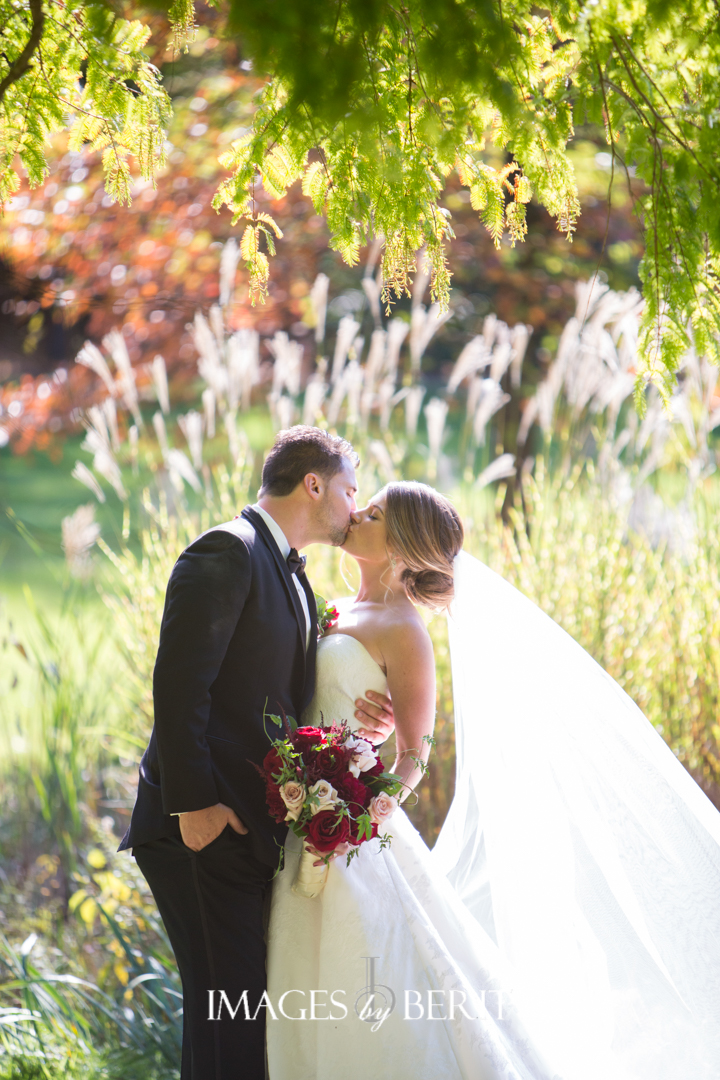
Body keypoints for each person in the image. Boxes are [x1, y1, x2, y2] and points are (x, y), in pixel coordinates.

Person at [267, 481, 720, 1080]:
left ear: (400, 545)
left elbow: (414, 756)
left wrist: (357, 819)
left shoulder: (405, 631)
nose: (358, 515)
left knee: (371, 983)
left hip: (354, 837)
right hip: (305, 820)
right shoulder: (334, 609)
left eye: (374, 514)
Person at [118, 426, 396, 1080]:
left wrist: (364, 720)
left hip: (247, 830)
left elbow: (283, 697)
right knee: (231, 1019)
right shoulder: (227, 552)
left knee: (233, 1021)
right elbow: (181, 685)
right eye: (350, 490)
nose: (355, 508)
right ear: (314, 484)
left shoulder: (295, 581)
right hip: (201, 827)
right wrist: (197, 810)